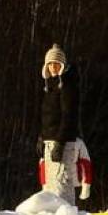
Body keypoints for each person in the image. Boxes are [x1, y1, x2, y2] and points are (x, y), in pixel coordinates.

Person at [40, 43, 80, 204]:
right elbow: (49, 116)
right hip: (50, 141)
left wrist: (60, 143)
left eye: (56, 63)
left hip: (62, 142)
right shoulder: (51, 86)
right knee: (50, 187)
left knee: (61, 185)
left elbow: (68, 116)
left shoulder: (67, 86)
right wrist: (42, 136)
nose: (52, 67)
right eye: (49, 63)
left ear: (62, 65)